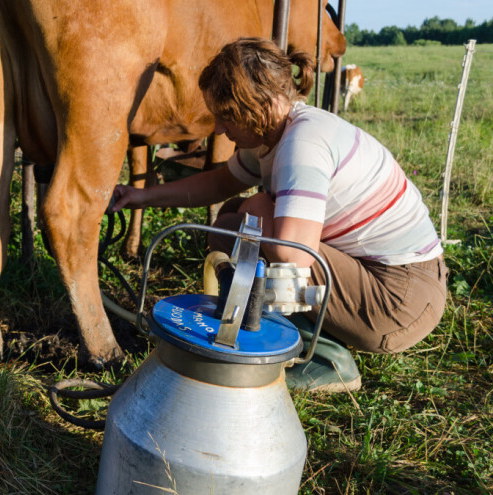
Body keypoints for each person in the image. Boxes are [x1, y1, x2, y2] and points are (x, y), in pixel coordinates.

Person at [111, 37, 448, 393]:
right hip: (386, 280)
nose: (221, 130)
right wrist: (143, 196)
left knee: (252, 224)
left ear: (266, 106)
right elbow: (221, 182)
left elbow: (293, 253)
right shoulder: (275, 132)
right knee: (230, 224)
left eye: (227, 116)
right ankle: (284, 329)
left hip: (397, 300)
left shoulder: (303, 143)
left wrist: (256, 208)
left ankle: (324, 358)